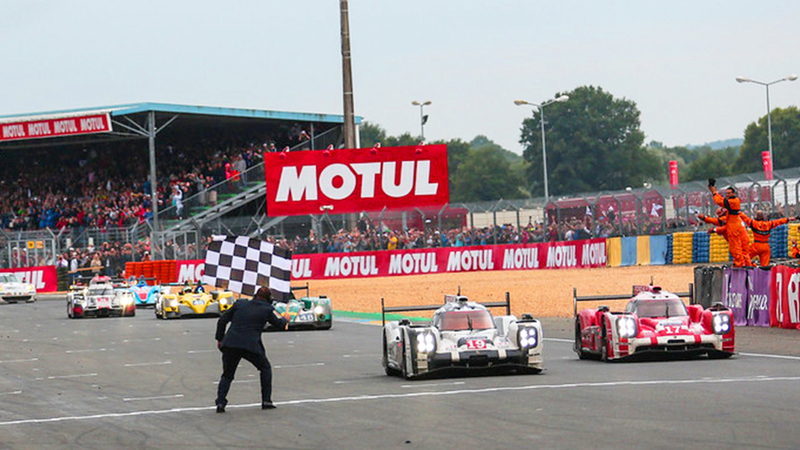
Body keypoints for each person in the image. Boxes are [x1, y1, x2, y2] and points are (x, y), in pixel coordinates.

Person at [214, 287, 289, 413]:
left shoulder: (240, 304)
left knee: (227, 374)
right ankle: (266, 400)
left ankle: (221, 402)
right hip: (250, 345)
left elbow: (222, 320)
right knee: (265, 368)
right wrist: (286, 318)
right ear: (269, 299)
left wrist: (220, 339)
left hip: (231, 343)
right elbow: (279, 324)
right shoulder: (267, 309)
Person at [708, 180, 750, 267]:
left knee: (735, 247)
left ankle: (740, 266)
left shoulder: (732, 202)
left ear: (733, 193)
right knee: (743, 251)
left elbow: (720, 202)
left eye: (729, 193)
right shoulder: (733, 205)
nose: (727, 195)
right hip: (738, 228)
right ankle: (747, 265)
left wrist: (713, 193)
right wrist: (714, 192)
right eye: (726, 193)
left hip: (734, 227)